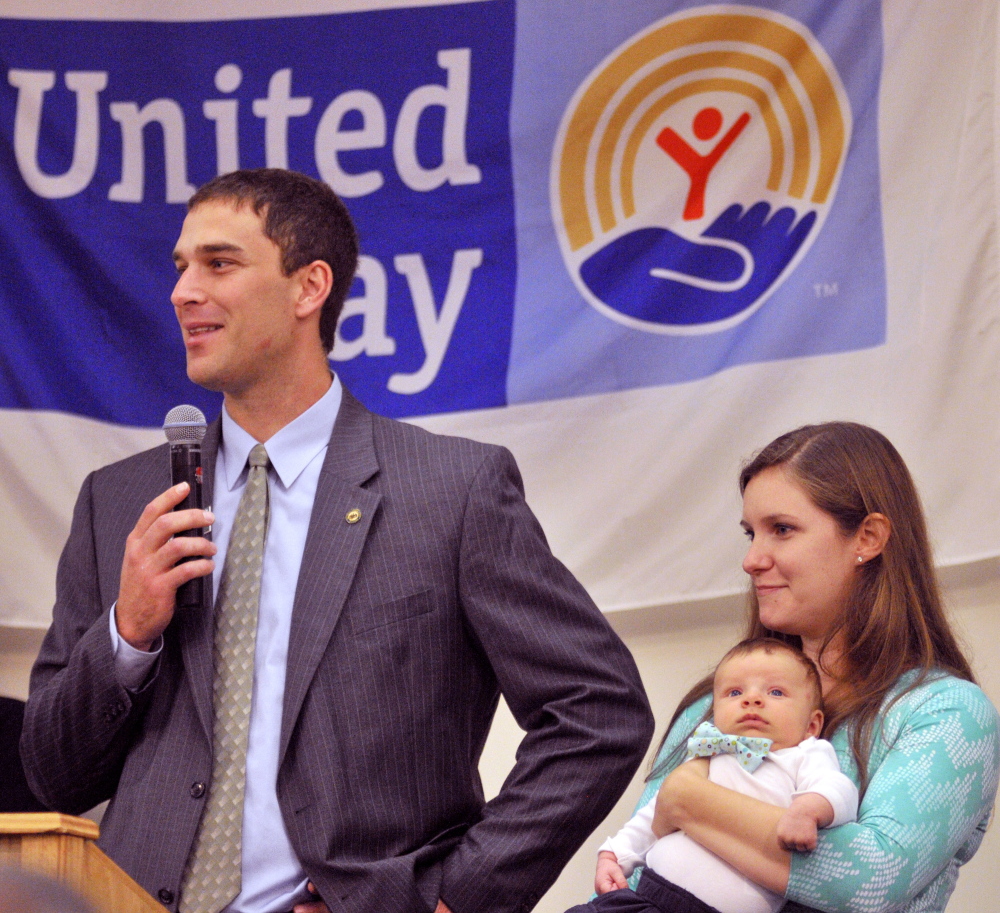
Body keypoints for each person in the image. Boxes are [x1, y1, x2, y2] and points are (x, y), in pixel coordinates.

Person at [20, 168, 654, 913]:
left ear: (308, 287)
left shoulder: (450, 490)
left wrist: (458, 896)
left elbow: (598, 712)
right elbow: (52, 774)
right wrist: (127, 635)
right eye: (181, 267)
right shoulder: (121, 500)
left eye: (218, 264)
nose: (182, 291)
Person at [636, 422, 999, 913]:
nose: (751, 559)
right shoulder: (716, 699)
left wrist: (689, 800)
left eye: (781, 529)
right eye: (750, 533)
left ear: (867, 538)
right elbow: (629, 878)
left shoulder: (945, 710)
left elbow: (870, 883)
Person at [574, 638, 857, 913]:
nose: (752, 699)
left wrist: (808, 810)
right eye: (735, 693)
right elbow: (658, 809)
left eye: (776, 692)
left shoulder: (806, 754)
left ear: (811, 724)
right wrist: (615, 854)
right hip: (648, 897)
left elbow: (839, 789)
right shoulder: (710, 755)